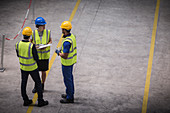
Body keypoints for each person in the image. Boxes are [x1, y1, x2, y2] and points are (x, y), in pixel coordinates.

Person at [16, 27, 48, 107]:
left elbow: (18, 55)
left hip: (23, 68)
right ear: (30, 36)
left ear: (23, 35)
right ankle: (40, 101)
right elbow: (36, 58)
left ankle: (25, 100)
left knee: (23, 83)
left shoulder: (18, 44)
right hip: (32, 68)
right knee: (38, 83)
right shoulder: (31, 46)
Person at [55, 21, 77, 103]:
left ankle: (70, 98)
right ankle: (69, 93)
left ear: (64, 30)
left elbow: (65, 55)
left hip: (67, 63)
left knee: (67, 80)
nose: (61, 31)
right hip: (71, 62)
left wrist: (58, 53)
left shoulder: (67, 42)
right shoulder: (72, 37)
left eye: (62, 29)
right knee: (70, 79)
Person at [30, 17, 52, 93]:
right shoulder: (33, 33)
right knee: (36, 72)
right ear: (38, 26)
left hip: (45, 56)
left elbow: (50, 41)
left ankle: (42, 85)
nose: (44, 27)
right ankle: (36, 85)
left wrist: (46, 45)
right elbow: (30, 41)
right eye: (42, 25)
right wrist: (35, 46)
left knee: (43, 71)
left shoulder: (48, 32)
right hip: (37, 56)